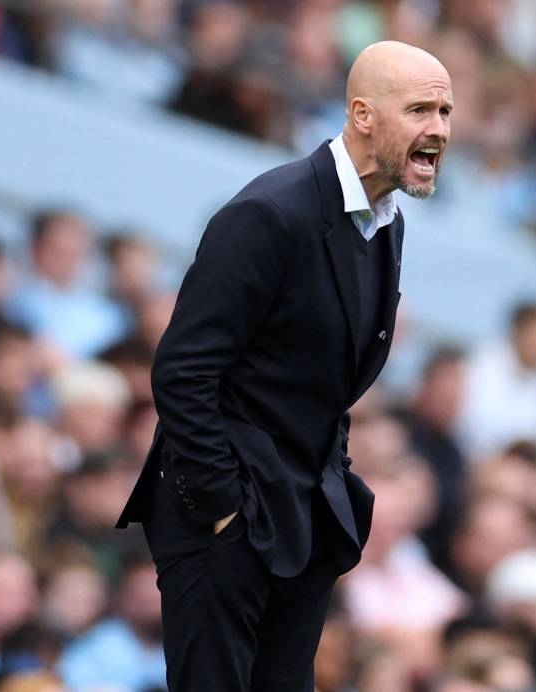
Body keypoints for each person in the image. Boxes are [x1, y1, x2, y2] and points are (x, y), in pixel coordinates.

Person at [116, 40, 453, 692]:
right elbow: (182, 370)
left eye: (444, 111)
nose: (438, 129)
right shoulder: (269, 214)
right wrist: (222, 507)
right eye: (419, 110)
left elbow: (323, 384)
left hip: (300, 522)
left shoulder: (387, 224)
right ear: (362, 115)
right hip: (227, 520)